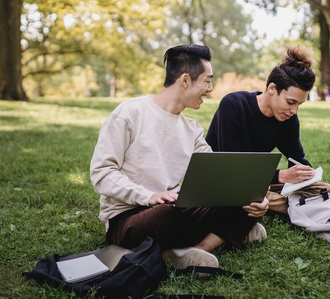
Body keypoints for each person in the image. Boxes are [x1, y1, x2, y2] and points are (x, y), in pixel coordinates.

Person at [90, 44, 269, 271]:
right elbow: (101, 173)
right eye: (207, 80)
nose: (211, 88)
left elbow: (218, 177)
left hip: (174, 206)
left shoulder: (192, 129)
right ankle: (228, 232)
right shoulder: (128, 114)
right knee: (169, 214)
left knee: (241, 200)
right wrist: (149, 196)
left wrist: (253, 197)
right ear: (185, 80)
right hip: (128, 219)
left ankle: (196, 249)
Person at [206, 45, 330, 214]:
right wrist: (281, 176)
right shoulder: (233, 105)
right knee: (245, 194)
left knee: (326, 189)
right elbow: (230, 168)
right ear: (272, 88)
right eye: (291, 102)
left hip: (257, 182)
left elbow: (297, 158)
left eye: (299, 104)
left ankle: (276, 202)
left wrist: (305, 174)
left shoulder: (288, 119)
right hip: (223, 180)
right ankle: (289, 204)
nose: (294, 111)